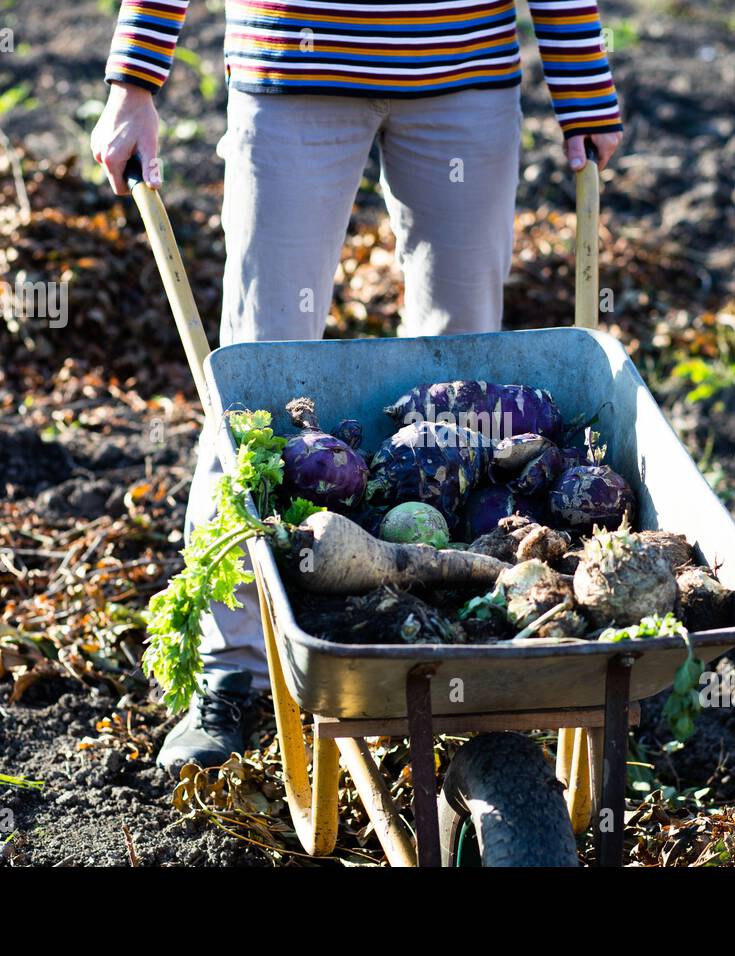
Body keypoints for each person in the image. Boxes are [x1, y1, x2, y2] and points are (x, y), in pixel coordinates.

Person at [90, 0, 623, 772]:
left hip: (461, 70)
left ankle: (446, 642)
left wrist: (584, 84)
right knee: (259, 381)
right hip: (292, 69)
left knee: (463, 377)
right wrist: (134, 80)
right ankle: (231, 668)